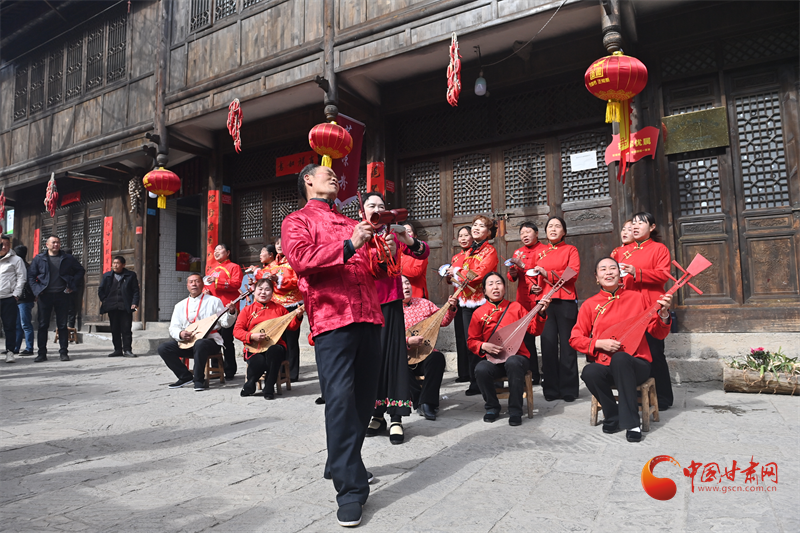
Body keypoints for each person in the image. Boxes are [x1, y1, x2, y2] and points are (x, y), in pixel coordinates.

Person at [281, 163, 395, 527]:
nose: (333, 176)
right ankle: (350, 490)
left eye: (333, 174)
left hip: (369, 316)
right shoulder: (297, 221)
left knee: (363, 401)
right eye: (324, 172)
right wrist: (349, 245)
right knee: (341, 401)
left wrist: (384, 251)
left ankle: (341, 461)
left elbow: (376, 269)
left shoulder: (351, 222)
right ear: (307, 181)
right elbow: (302, 260)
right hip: (332, 319)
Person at [570, 257, 673, 442]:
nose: (608, 272)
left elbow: (657, 333)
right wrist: (599, 343)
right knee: (589, 372)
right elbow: (575, 339)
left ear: (620, 274)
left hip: (636, 365)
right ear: (597, 277)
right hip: (606, 364)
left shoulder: (637, 298)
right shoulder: (590, 305)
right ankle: (613, 415)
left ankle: (632, 423)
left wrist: (664, 315)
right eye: (603, 269)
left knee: (621, 358)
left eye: (613, 268)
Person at [363, 192, 430, 445]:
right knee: (372, 360)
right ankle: (376, 413)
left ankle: (396, 418)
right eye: (371, 205)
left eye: (381, 206)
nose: (376, 209)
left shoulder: (391, 234)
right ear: (362, 211)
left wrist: (407, 239)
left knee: (394, 358)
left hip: (390, 304)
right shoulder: (357, 236)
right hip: (365, 305)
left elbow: (422, 253)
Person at [468, 272, 550, 425]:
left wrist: (541, 313)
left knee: (513, 362)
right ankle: (492, 406)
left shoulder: (516, 307)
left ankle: (515, 410)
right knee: (481, 369)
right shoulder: (478, 313)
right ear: (484, 291)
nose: (495, 287)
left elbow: (534, 330)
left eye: (498, 283)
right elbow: (471, 341)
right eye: (490, 284)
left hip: (517, 358)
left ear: (504, 288)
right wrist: (483, 345)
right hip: (494, 360)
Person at [616, 212, 674, 411]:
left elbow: (663, 275)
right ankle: (637, 395)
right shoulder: (622, 251)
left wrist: (636, 272)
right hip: (629, 308)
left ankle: (663, 397)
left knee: (655, 351)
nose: (635, 226)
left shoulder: (659, 249)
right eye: (633, 223)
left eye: (641, 223)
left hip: (651, 305)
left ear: (652, 227)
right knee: (632, 352)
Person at [446, 215, 499, 396]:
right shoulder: (468, 252)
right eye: (475, 225)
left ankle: (491, 379)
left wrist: (457, 271)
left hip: (483, 301)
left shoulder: (490, 251)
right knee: (472, 342)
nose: (476, 228)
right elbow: (462, 277)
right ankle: (475, 382)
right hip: (466, 302)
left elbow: (478, 274)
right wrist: (452, 275)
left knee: (487, 341)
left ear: (488, 232)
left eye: (481, 226)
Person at [529, 216, 581, 402]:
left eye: (557, 226)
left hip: (566, 300)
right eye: (550, 226)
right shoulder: (539, 252)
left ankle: (569, 388)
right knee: (548, 344)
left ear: (564, 232)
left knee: (568, 346)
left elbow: (572, 274)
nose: (553, 229)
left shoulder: (570, 250)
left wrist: (547, 274)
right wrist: (533, 286)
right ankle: (550, 387)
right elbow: (532, 276)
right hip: (545, 302)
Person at [157, 273, 237, 391]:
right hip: (188, 343)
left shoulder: (214, 301)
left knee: (200, 343)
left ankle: (199, 380)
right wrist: (180, 334)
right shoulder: (180, 305)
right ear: (187, 286)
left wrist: (231, 313)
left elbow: (225, 323)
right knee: (163, 348)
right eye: (191, 282)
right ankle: (184, 376)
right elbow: (173, 327)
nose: (194, 284)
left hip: (210, 342)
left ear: (203, 284)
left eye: (197, 281)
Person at [233, 277, 302, 399]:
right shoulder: (247, 310)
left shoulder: (279, 309)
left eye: (267, 289)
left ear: (272, 292)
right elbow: (237, 331)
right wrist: (251, 336)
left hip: (275, 345)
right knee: (259, 362)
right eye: (260, 289)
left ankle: (269, 386)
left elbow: (292, 326)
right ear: (254, 291)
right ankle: (251, 383)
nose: (263, 292)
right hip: (254, 347)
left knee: (275, 351)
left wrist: (298, 316)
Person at [401, 275, 457, 421]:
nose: (406, 287)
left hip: (425, 353)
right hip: (404, 356)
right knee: (396, 364)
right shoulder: (391, 311)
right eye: (401, 285)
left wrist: (450, 308)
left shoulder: (424, 304)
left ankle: (427, 403)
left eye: (407, 283)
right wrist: (407, 341)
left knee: (437, 358)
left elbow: (443, 321)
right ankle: (418, 399)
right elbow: (386, 336)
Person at [28, 235, 85, 362]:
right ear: (47, 244)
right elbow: (31, 276)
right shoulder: (39, 259)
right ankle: (42, 353)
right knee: (43, 325)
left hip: (62, 294)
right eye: (53, 242)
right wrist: (37, 290)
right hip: (45, 295)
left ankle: (63, 352)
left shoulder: (67, 258)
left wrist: (72, 284)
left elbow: (80, 271)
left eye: (58, 242)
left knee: (62, 325)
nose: (56, 245)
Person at [506, 221, 548, 384]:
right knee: (526, 338)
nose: (525, 235)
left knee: (546, 336)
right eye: (522, 233)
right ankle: (533, 374)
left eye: (528, 232)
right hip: (523, 300)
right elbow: (512, 278)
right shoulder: (518, 252)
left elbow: (543, 270)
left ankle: (548, 373)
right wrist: (512, 272)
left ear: (536, 233)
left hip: (541, 297)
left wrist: (522, 265)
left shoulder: (545, 250)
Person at [261, 238, 303, 382]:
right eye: (277, 244)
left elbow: (297, 281)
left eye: (282, 243)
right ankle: (279, 371)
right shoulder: (271, 265)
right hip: (276, 305)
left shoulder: (294, 262)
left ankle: (292, 373)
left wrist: (279, 280)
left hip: (292, 304)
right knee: (279, 339)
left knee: (291, 340)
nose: (279, 246)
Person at [204, 243, 243, 380]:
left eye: (220, 249)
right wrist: (205, 291)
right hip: (213, 311)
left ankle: (230, 370)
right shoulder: (212, 270)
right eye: (215, 250)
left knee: (227, 340)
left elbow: (236, 284)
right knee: (214, 339)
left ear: (228, 252)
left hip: (227, 309)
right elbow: (207, 287)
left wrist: (217, 280)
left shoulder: (234, 267)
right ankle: (216, 369)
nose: (216, 252)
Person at [446, 226, 474, 384]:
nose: (463, 238)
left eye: (466, 235)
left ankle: (473, 372)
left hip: (471, 299)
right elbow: (452, 281)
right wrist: (448, 276)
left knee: (470, 335)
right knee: (460, 335)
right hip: (458, 298)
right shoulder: (456, 257)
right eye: (460, 236)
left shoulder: (475, 256)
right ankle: (463, 372)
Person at [98, 256, 140, 358]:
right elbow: (101, 290)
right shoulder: (107, 276)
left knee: (126, 329)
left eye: (117, 263)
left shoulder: (130, 275)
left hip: (125, 306)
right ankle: (117, 350)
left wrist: (134, 303)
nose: (115, 265)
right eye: (114, 263)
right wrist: (105, 300)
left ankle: (127, 350)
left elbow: (135, 291)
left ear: (123, 265)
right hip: (112, 306)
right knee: (115, 329)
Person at [0, 235, 26, 363]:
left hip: (8, 298)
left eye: (7, 244)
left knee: (9, 326)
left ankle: (10, 351)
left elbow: (22, 277)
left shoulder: (16, 260)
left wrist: (16, 294)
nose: (4, 246)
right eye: (2, 244)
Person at [13, 245, 35, 356]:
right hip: (17, 298)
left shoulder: (27, 268)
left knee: (25, 324)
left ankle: (29, 348)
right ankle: (15, 347)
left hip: (25, 299)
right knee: (17, 325)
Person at [399, 222, 429, 299]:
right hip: (400, 294)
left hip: (417, 293)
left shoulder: (420, 252)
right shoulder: (398, 251)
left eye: (408, 231)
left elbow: (416, 272)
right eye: (403, 231)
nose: (405, 234)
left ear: (415, 235)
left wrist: (397, 267)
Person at [63, 247, 84, 331]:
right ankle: (67, 326)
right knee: (68, 308)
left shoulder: (71, 262)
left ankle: (70, 326)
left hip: (69, 288)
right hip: (65, 288)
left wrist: (72, 284)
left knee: (69, 308)